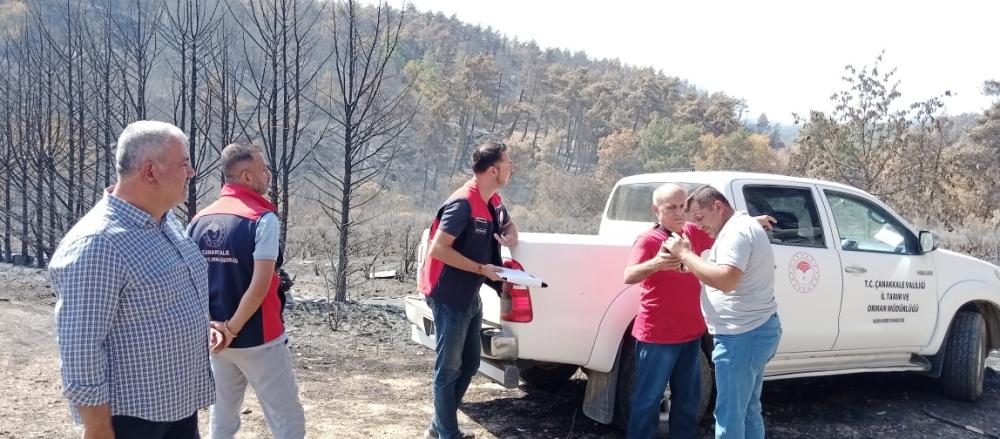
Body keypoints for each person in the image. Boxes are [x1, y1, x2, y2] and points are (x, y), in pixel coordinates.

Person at [49, 120, 222, 439]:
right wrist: (98, 427)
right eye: (184, 163)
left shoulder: (165, 222)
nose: (192, 171)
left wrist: (201, 325)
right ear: (150, 171)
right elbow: (81, 346)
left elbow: (158, 301)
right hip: (132, 420)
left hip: (177, 405)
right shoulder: (98, 244)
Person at [188, 143, 306, 439]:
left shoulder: (198, 220)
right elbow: (259, 285)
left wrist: (215, 330)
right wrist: (232, 328)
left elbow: (189, 283)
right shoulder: (262, 220)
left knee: (223, 417)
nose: (268, 174)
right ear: (246, 176)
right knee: (287, 419)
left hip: (215, 339)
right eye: (263, 168)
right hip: (259, 337)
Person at [417, 141, 518, 439]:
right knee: (448, 369)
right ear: (493, 170)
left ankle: (439, 426)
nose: (512, 168)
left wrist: (510, 236)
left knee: (471, 362)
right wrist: (480, 269)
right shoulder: (463, 203)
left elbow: (510, 224)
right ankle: (447, 433)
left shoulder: (493, 199)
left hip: (469, 295)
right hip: (448, 295)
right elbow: (438, 250)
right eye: (508, 164)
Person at [664, 185, 782, 439]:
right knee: (748, 410)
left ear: (718, 207)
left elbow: (727, 281)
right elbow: (723, 270)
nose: (697, 226)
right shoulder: (737, 226)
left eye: (699, 218)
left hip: (741, 335)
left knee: (729, 416)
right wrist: (694, 266)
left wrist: (685, 254)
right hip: (753, 330)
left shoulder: (736, 233)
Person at [623, 183, 713, 439]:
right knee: (647, 401)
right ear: (656, 209)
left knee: (688, 401)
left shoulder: (692, 232)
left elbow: (722, 229)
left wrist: (751, 221)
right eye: (671, 207)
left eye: (683, 206)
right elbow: (629, 275)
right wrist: (656, 263)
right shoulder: (649, 239)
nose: (679, 213)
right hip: (657, 336)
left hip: (691, 334)